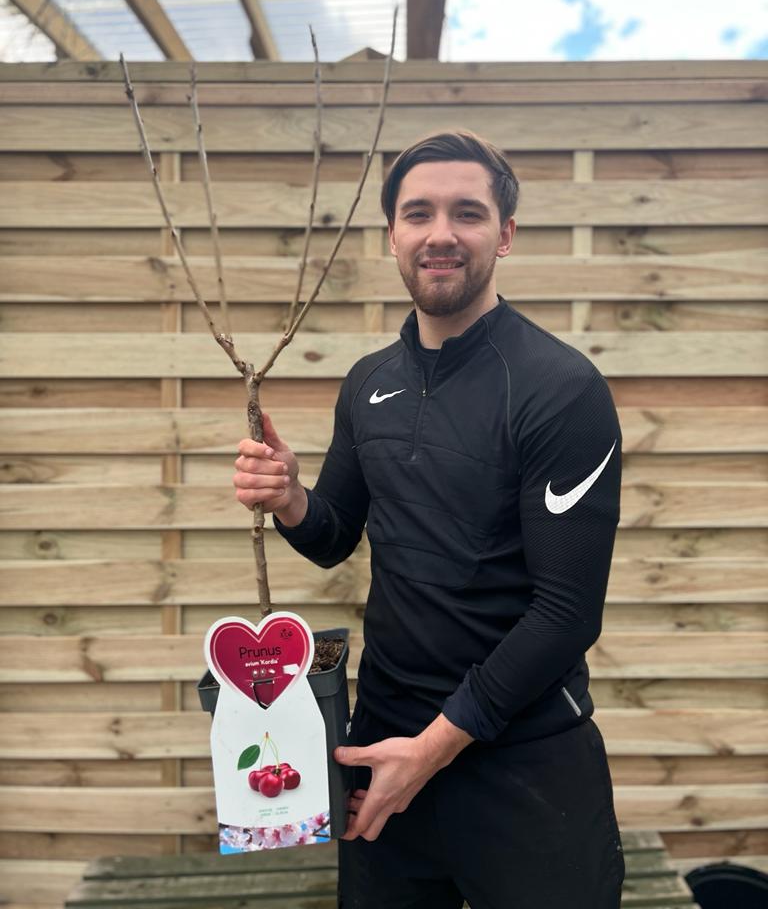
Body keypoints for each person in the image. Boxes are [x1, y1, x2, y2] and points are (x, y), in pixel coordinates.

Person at [233, 131, 625, 909]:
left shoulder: (561, 389)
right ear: (393, 235)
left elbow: (566, 613)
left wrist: (437, 746)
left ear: (505, 235)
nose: (441, 232)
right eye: (419, 213)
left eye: (467, 213)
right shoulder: (368, 381)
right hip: (385, 749)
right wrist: (290, 500)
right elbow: (335, 532)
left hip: (526, 762)